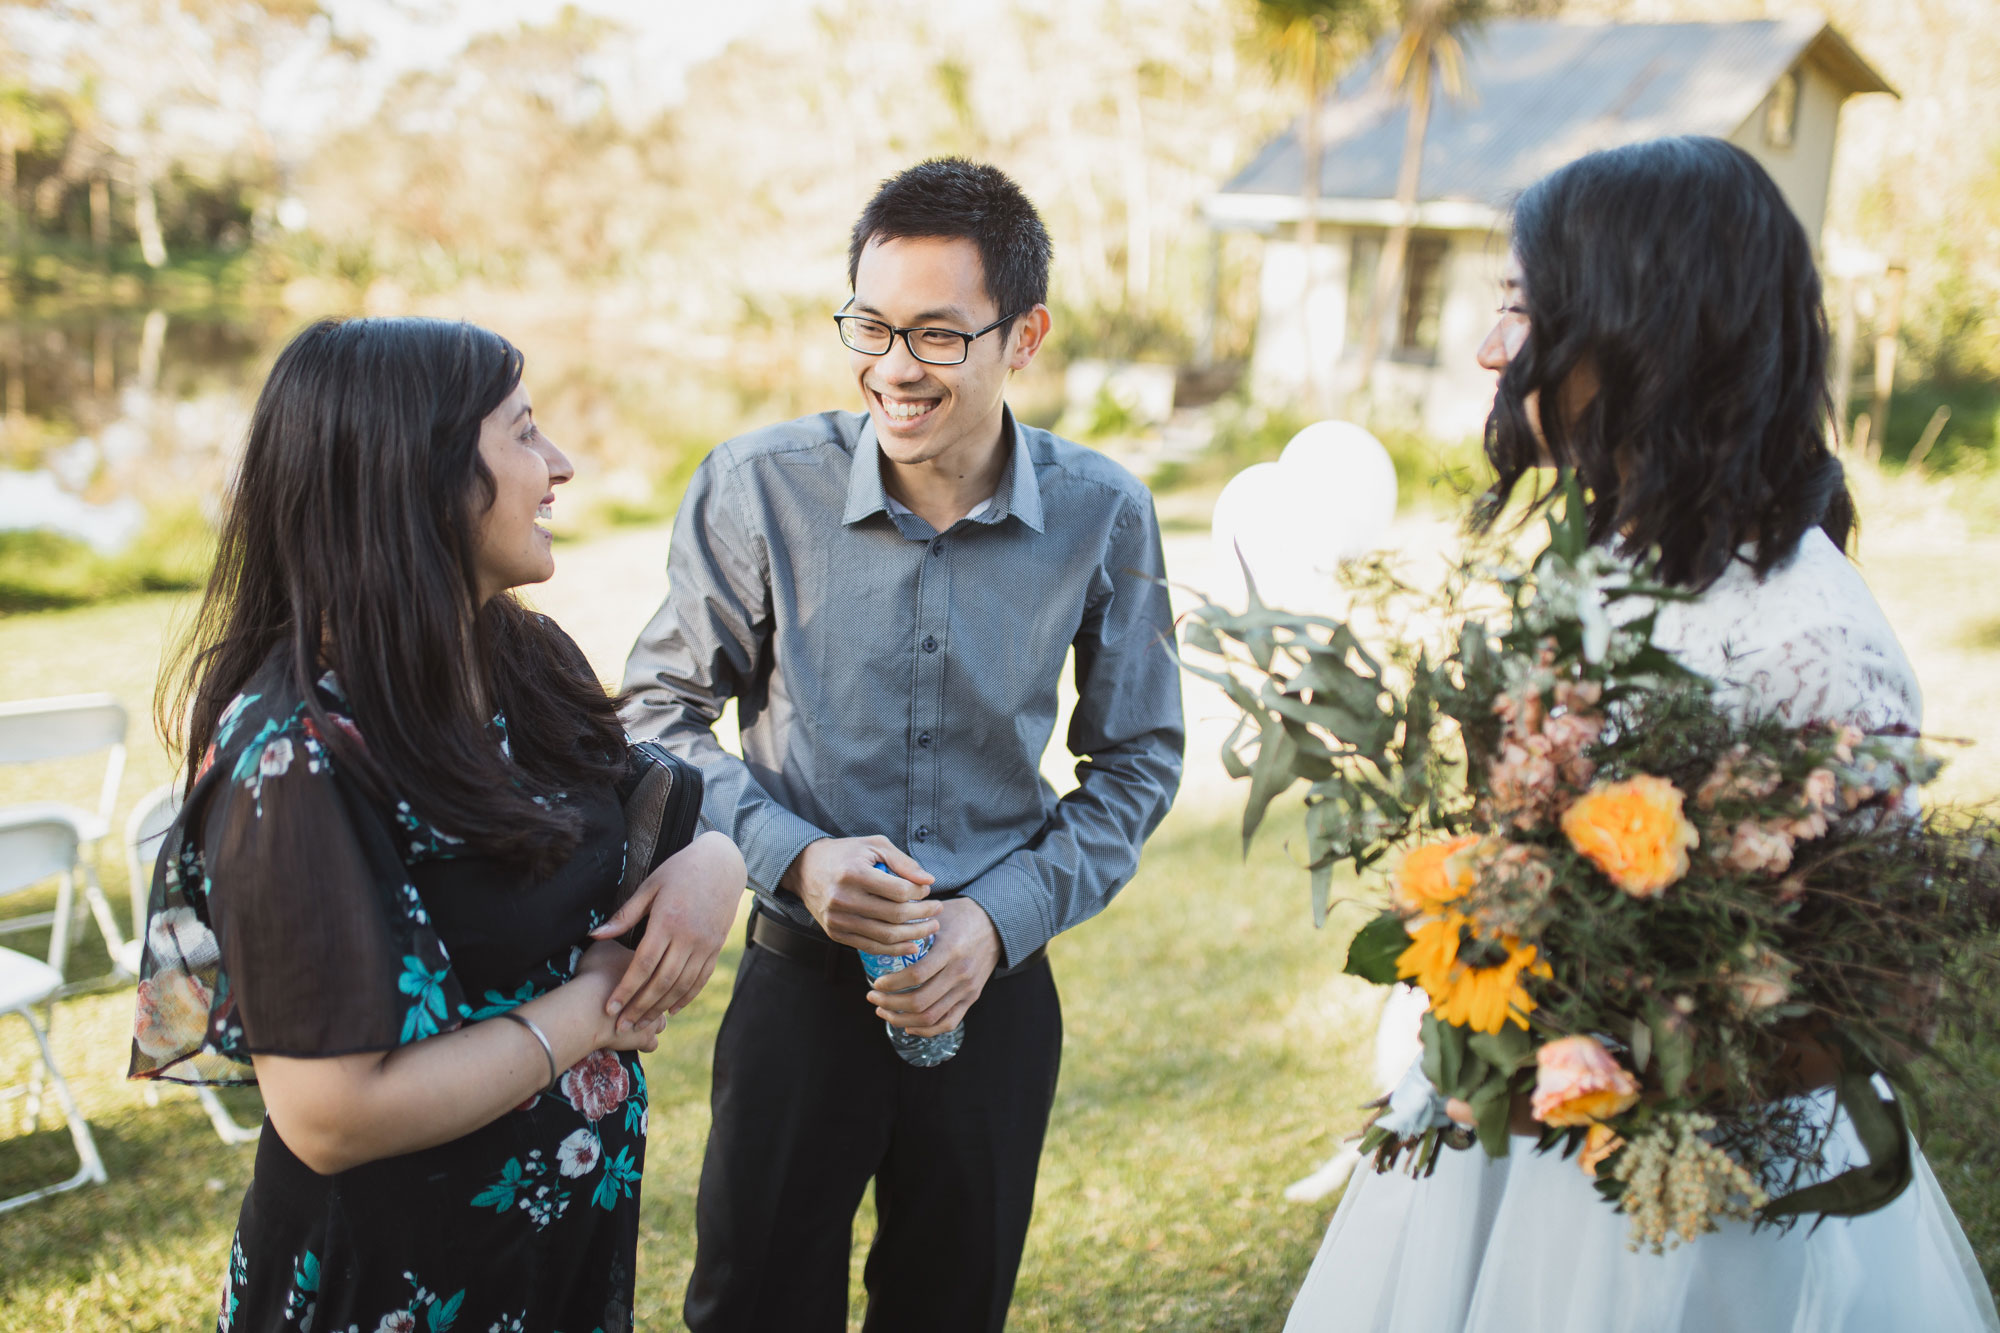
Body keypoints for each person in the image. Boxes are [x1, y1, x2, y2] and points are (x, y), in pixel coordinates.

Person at [1284, 137, 2000, 1332]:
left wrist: (1599, 1039)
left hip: (1710, 1217)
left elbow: (1865, 1005)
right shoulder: (1599, 562)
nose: (1485, 347)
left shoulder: (1810, 635)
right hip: (1513, 1156)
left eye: (1517, 304)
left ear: (1638, 325)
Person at [620, 157, 1185, 1332]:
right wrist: (796, 860)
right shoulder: (753, 488)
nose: (892, 368)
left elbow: (1136, 761)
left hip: (996, 992)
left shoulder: (1103, 511)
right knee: (750, 1307)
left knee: (949, 1308)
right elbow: (655, 718)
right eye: (868, 327)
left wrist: (995, 921)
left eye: (934, 335)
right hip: (796, 989)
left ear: (1021, 336)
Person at [128, 317, 746, 1333]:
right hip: (399, 1281)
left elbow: (640, 800)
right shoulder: (295, 749)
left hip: (554, 1249)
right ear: (417, 477)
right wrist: (589, 1011)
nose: (562, 465)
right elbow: (330, 1115)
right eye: (524, 434)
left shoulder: (517, 655)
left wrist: (713, 862)